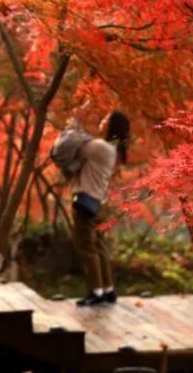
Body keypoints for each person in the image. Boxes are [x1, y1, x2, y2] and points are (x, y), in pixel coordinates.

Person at [68, 109, 129, 307]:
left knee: (87, 247)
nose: (102, 121)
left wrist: (75, 121)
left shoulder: (101, 147)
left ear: (111, 126)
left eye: (106, 119)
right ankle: (108, 289)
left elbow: (75, 144)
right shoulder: (112, 150)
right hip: (99, 203)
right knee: (100, 246)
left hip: (86, 201)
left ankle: (96, 291)